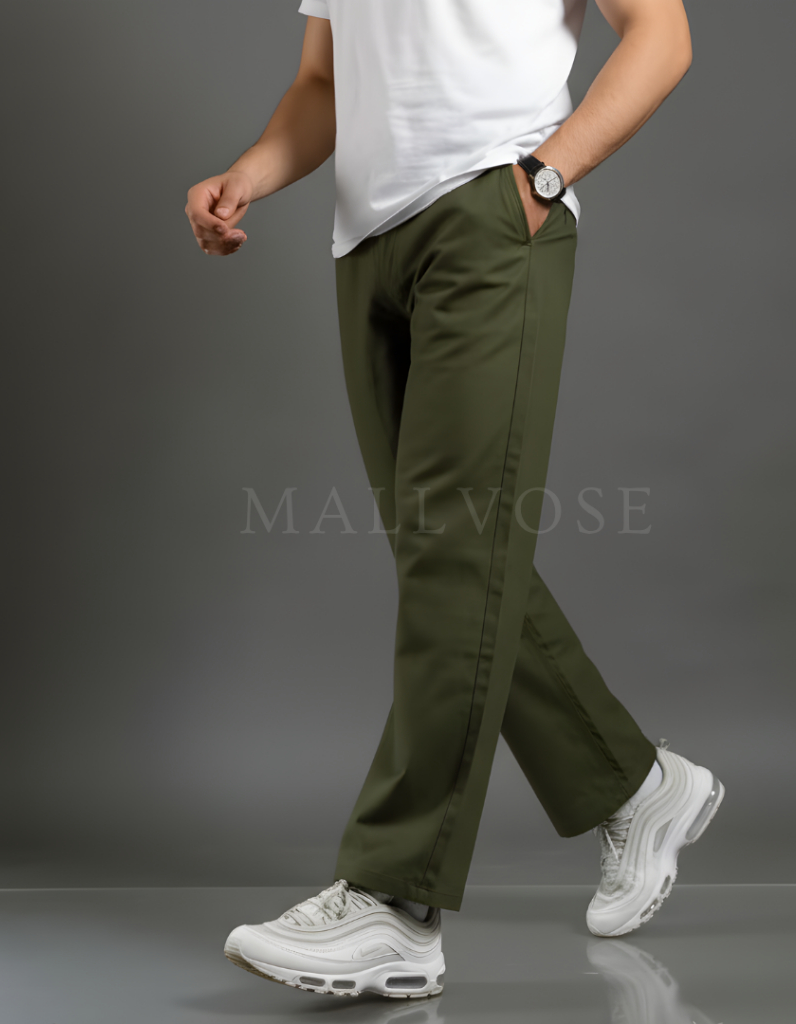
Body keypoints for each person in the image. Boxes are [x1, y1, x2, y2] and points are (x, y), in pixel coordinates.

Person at [185, 0, 723, 1001]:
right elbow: (322, 82)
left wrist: (542, 180)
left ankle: (395, 903)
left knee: (454, 560)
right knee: (450, 561)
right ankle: (636, 786)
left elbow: (662, 34)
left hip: (491, 211)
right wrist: (250, 172)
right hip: (367, 245)